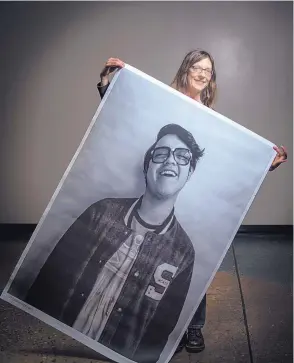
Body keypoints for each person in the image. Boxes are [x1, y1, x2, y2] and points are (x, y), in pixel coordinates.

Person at [97, 50, 288, 354]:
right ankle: (131, 325)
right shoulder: (163, 101)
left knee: (196, 260)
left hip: (193, 203)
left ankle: (194, 327)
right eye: (196, 67)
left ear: (211, 79)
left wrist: (266, 163)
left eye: (208, 70)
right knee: (148, 265)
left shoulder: (212, 120)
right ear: (185, 70)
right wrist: (109, 83)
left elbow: (231, 163)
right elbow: (129, 117)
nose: (201, 74)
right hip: (158, 198)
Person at [24, 122, 205, 362]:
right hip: (59, 348)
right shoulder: (100, 212)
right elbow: (48, 280)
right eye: (161, 154)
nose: (170, 161)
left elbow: (160, 331)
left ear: (190, 172)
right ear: (147, 167)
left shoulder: (183, 252)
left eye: (182, 157)